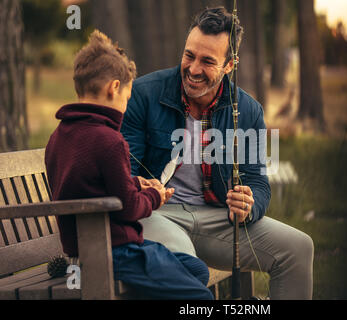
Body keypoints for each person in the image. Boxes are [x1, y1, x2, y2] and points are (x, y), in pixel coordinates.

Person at [121, 7, 314, 299]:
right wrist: (140, 185)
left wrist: (249, 205)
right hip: (156, 214)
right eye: (189, 55)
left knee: (298, 248)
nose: (193, 68)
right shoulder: (143, 94)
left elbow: (258, 183)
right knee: (185, 264)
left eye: (207, 61)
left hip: (216, 219)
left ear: (229, 65)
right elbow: (124, 172)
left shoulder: (248, 110)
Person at [45, 30, 213, 300]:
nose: (126, 105)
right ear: (114, 88)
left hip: (81, 252)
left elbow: (88, 187)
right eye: (127, 96)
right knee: (202, 297)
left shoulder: (59, 136)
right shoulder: (110, 140)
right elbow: (130, 209)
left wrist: (135, 182)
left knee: (195, 270)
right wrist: (153, 196)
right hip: (117, 252)